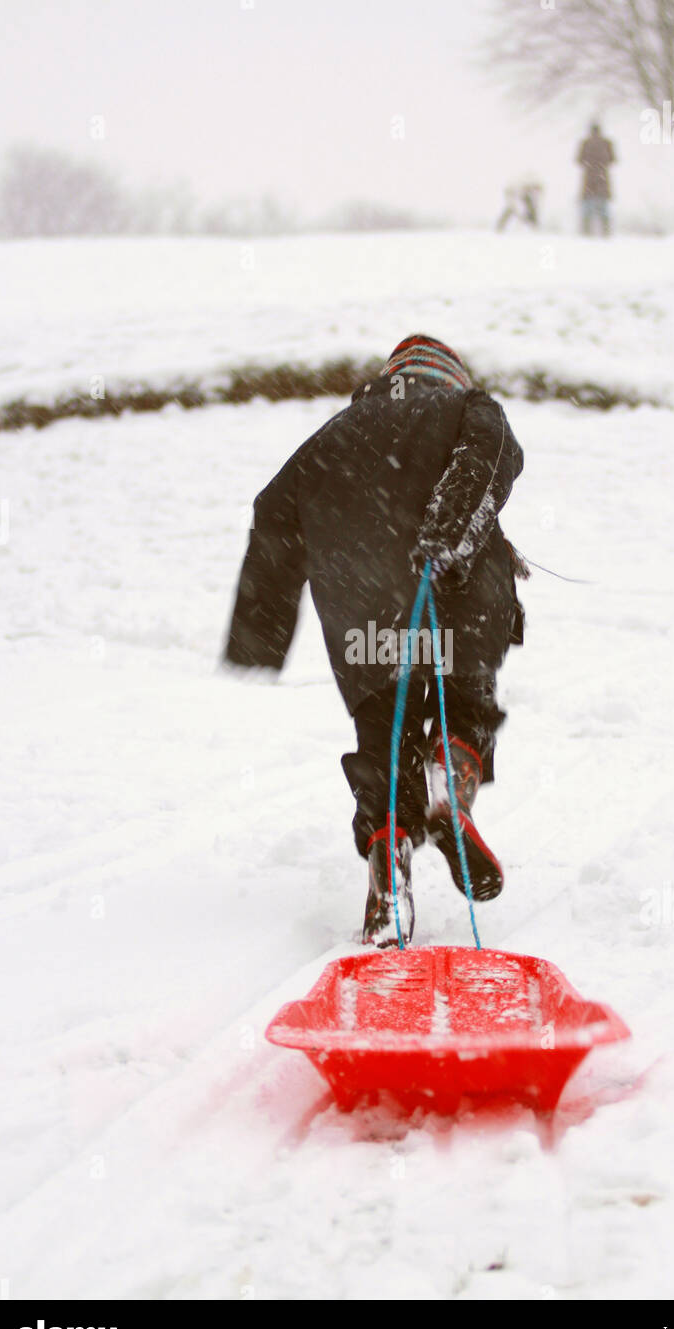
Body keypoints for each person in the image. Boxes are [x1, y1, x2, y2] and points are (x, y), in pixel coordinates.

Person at [223, 335, 526, 947]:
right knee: (463, 704)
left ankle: (388, 857)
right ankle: (450, 784)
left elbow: (273, 510)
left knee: (384, 734)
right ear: (448, 377)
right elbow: (493, 454)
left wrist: (260, 637)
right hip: (455, 605)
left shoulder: (331, 434)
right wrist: (453, 527)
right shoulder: (467, 407)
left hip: (363, 623)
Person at [577, 122, 616, 235]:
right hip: (602, 180)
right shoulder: (607, 143)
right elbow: (612, 159)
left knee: (587, 211)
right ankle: (605, 232)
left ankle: (586, 233)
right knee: (604, 211)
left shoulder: (585, 143)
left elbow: (579, 160)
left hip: (589, 181)